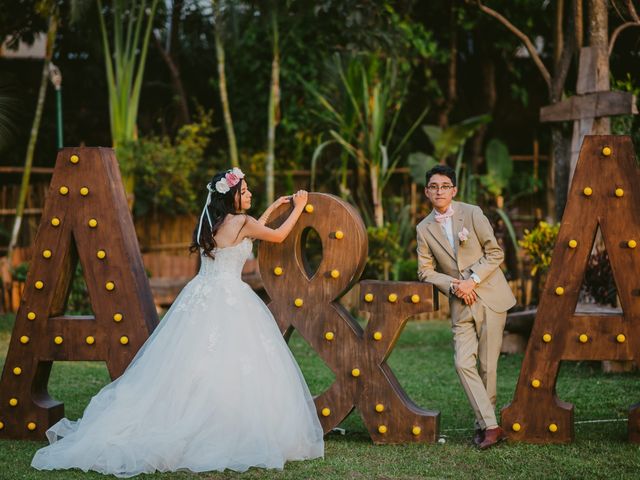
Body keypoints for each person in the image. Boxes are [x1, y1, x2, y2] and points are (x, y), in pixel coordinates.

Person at [32, 168, 324, 476]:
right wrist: (298, 208)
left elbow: (251, 230)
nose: (249, 194)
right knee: (232, 362)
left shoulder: (217, 223)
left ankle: (191, 417)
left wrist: (274, 208)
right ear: (232, 196)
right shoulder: (243, 223)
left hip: (200, 295)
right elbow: (276, 236)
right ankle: (222, 425)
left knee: (187, 362)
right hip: (231, 298)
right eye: (245, 190)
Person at [416, 165, 515, 450]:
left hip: (490, 297)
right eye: (433, 186)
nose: (439, 191)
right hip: (459, 303)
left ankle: (483, 426)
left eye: (445, 186)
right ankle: (492, 426)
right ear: (426, 192)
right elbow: (425, 271)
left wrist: (472, 280)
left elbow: (495, 252)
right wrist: (456, 285)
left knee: (488, 366)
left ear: (454, 190)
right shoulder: (423, 229)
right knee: (462, 362)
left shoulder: (472, 213)